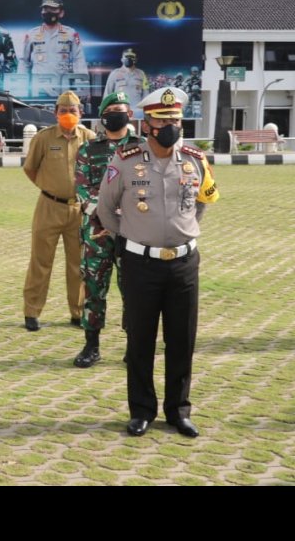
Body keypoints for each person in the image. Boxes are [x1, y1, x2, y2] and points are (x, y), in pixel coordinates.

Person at [98, 87, 218, 438]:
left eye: (176, 119)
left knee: (182, 339)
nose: (171, 125)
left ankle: (178, 410)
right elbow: (106, 208)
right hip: (140, 264)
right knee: (141, 340)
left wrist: (182, 232)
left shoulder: (196, 159)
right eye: (162, 120)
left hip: (183, 264)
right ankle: (142, 411)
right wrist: (132, 237)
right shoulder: (125, 159)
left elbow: (202, 203)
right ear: (146, 124)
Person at [72, 91, 141, 368]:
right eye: (110, 109)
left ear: (130, 115)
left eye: (120, 109)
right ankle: (91, 346)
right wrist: (107, 214)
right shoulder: (89, 150)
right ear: (102, 115)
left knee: (134, 290)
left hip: (134, 231)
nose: (115, 114)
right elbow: (82, 188)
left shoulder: (143, 147)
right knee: (93, 287)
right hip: (97, 232)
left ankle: (134, 346)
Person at [21, 90, 96, 330]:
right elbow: (30, 168)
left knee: (78, 264)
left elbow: (97, 172)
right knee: (40, 262)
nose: (67, 115)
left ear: (80, 113)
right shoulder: (43, 138)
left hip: (79, 209)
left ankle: (77, 312)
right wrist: (49, 188)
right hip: (48, 207)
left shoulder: (90, 138)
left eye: (72, 111)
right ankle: (31, 312)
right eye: (63, 111)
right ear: (55, 113)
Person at [20, 0, 87, 96]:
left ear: (61, 13)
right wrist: (21, 88)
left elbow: (78, 61)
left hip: (64, 91)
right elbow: (24, 62)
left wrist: (82, 88)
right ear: (42, 12)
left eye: (53, 9)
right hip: (38, 91)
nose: (49, 12)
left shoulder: (71, 34)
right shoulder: (31, 35)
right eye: (46, 9)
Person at [104, 49, 150, 119]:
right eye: (126, 57)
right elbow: (107, 94)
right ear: (122, 59)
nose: (129, 59)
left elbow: (146, 94)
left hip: (137, 113)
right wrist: (106, 111)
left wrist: (146, 111)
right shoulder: (115, 73)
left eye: (131, 57)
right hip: (120, 111)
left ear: (136, 59)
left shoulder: (141, 74)